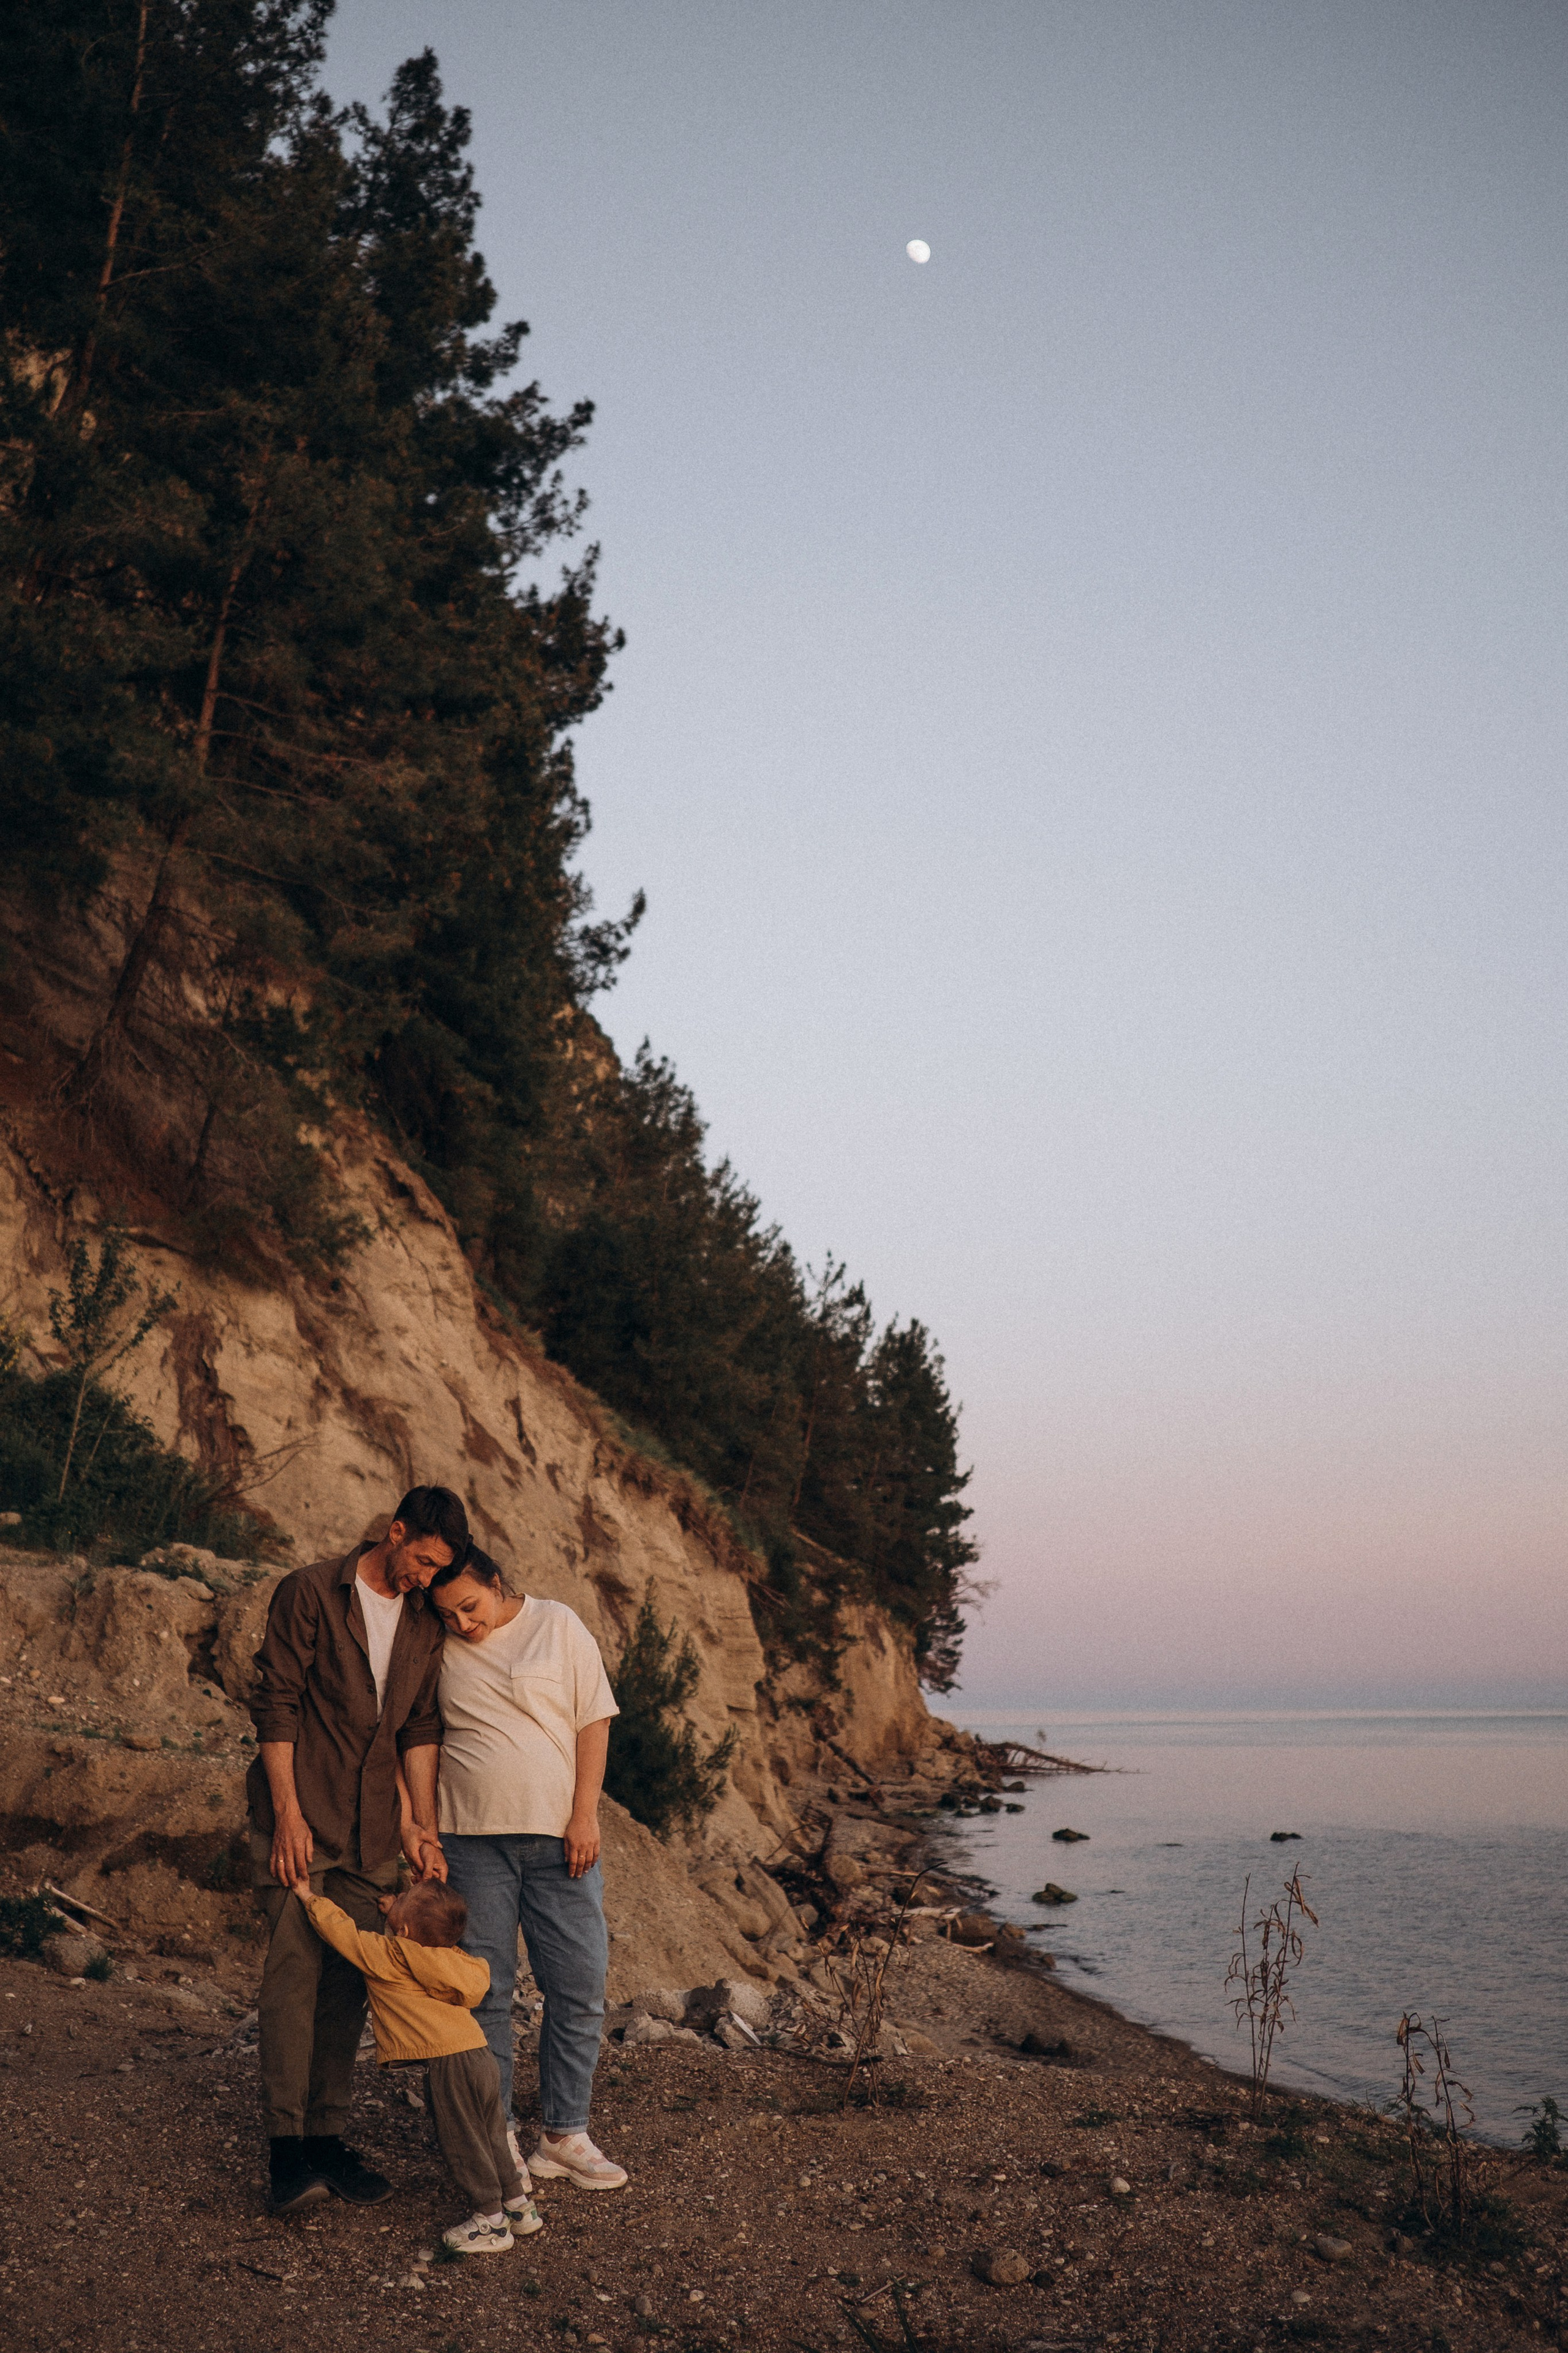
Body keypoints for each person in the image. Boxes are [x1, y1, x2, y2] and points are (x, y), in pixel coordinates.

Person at [247, 1482, 469, 2216]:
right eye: (424, 1561)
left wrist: (419, 1827)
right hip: (302, 1817)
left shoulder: (422, 1621)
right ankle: (286, 2151)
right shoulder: (310, 1591)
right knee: (293, 1980)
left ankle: (327, 2137)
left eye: (439, 1571)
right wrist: (287, 1814)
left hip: (374, 1831)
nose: (427, 1580)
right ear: (395, 1532)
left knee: (351, 1982)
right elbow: (277, 1703)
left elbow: (419, 1728)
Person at [426, 1545, 628, 2191]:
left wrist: (585, 1815)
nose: (463, 1624)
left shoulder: (558, 1624)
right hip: (470, 1841)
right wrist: (422, 1830)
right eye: (448, 1614)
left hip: (560, 1841)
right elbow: (419, 1737)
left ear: (496, 1581)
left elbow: (593, 1721)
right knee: (486, 1992)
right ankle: (498, 2138)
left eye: (470, 1606)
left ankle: (565, 2135)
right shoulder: (435, 1644)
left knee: (579, 1982)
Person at [293, 1877, 544, 2256]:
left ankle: (490, 2220)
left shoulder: (391, 1955)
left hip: (450, 2063)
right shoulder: (453, 1960)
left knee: (463, 2141)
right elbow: (418, 1943)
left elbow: (344, 1934)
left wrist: (309, 1897)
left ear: (405, 1931)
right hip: (480, 2053)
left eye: (402, 1899)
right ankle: (519, 2206)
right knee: (492, 2133)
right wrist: (397, 1912)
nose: (396, 1897)